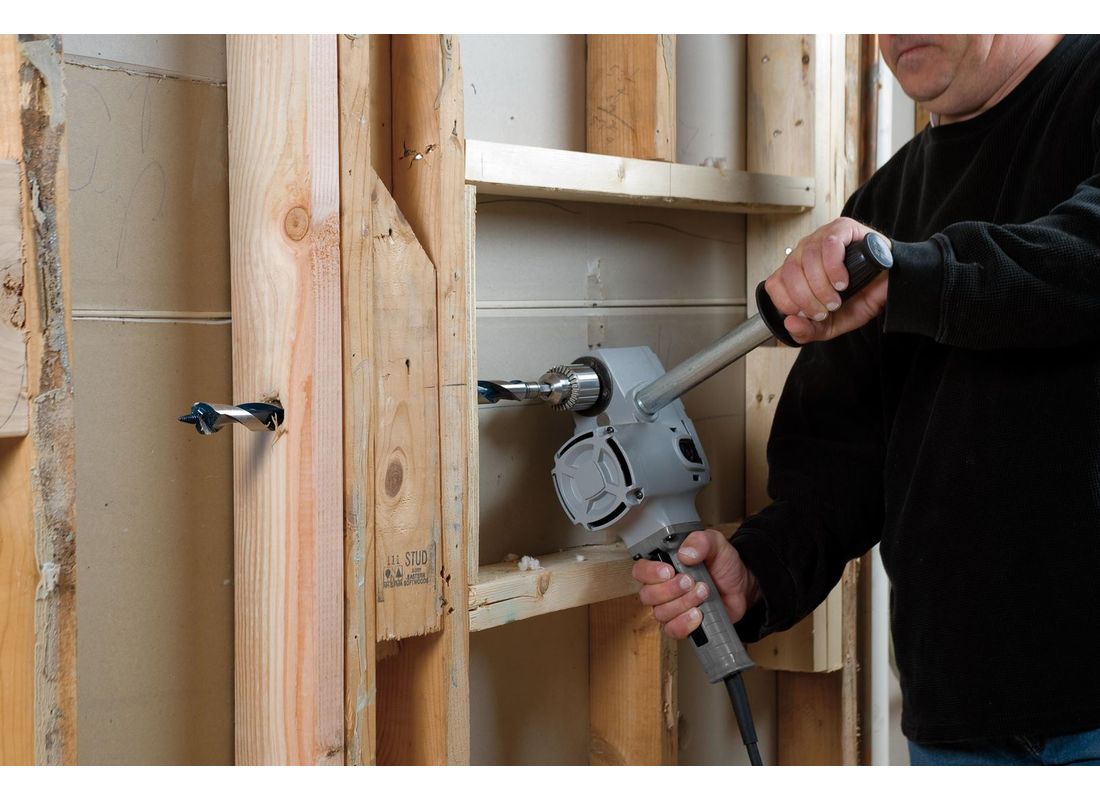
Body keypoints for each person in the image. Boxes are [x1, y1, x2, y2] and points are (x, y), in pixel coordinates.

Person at [633, 34, 1100, 766]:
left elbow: (1084, 261)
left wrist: (914, 278)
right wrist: (756, 573)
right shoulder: (888, 202)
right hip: (958, 722)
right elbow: (837, 465)